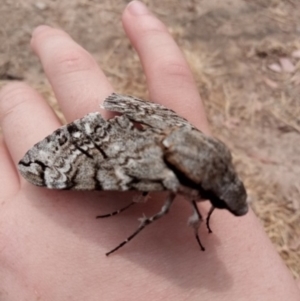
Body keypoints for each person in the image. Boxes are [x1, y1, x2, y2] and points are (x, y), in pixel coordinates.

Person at [0, 1, 299, 299]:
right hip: (144, 153)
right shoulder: (176, 183)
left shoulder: (209, 170)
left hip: (168, 125)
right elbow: (171, 207)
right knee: (151, 200)